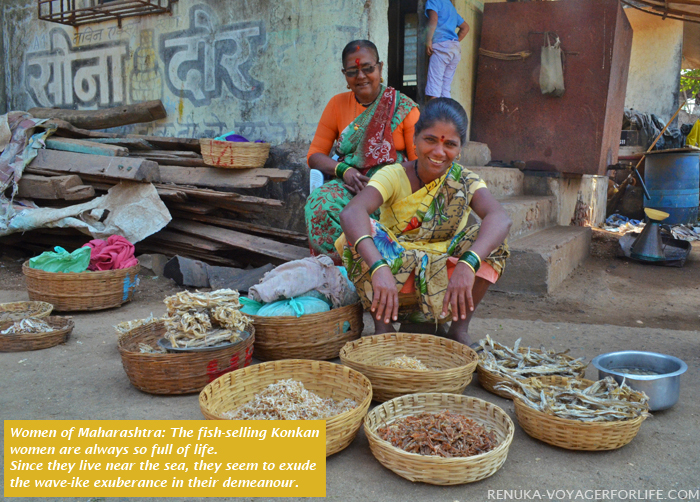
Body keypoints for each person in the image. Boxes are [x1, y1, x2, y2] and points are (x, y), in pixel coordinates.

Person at [336, 98, 511, 347]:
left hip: (444, 267)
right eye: (430, 140)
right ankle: (383, 326)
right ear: (415, 140)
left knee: (494, 242)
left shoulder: (465, 181)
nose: (439, 152)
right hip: (393, 267)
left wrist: (468, 264)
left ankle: (459, 329)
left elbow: (500, 218)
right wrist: (378, 267)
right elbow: (351, 213)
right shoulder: (393, 174)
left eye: (450, 144)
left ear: (460, 149)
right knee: (355, 237)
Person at [304, 40, 420, 263]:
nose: (361, 76)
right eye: (352, 71)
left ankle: (383, 266)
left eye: (368, 68)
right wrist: (344, 170)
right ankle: (342, 269)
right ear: (344, 75)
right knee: (319, 204)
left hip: (393, 191)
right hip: (350, 186)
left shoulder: (404, 108)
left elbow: (418, 165)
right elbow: (315, 155)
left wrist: (388, 182)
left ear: (380, 68)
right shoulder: (336, 105)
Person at [425, 0, 470, 99]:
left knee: (434, 88)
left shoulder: (433, 1)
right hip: (455, 49)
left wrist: (428, 40)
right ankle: (446, 114)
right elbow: (465, 27)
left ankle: (434, 114)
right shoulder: (450, 6)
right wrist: (452, 43)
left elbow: (433, 19)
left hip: (441, 48)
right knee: (445, 88)